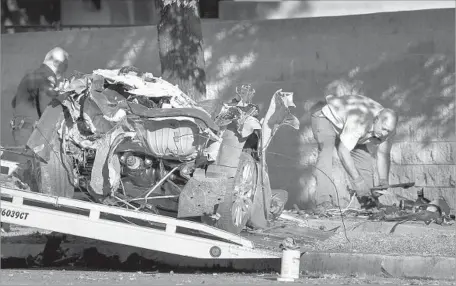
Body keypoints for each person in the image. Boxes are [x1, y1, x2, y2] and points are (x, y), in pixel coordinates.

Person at [310, 87, 398, 210]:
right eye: (383, 129)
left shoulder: (388, 129)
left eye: (388, 131)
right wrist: (358, 181)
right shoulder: (360, 122)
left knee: (364, 158)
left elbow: (383, 154)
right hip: (326, 116)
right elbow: (343, 151)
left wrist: (383, 181)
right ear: (376, 119)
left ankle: (369, 202)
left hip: (348, 125)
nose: (384, 134)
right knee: (326, 154)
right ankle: (323, 202)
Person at [10, 47, 69, 146]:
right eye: (64, 66)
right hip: (33, 134)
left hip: (20, 131)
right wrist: (63, 94)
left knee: (24, 160)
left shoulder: (30, 76)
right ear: (57, 63)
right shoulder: (46, 77)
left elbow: (14, 103)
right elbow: (48, 109)